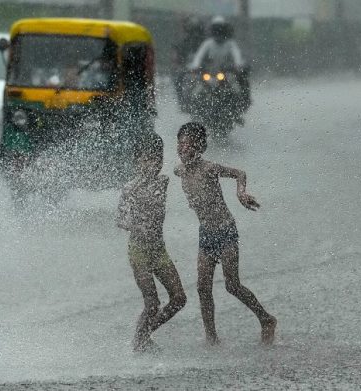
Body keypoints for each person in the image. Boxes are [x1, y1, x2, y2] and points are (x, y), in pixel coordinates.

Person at [174, 122, 275, 345]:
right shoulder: (179, 171)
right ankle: (211, 337)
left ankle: (266, 319)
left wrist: (241, 193)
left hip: (225, 230)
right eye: (179, 145)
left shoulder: (209, 168)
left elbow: (239, 173)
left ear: (200, 147)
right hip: (206, 234)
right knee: (202, 288)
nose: (182, 150)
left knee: (232, 285)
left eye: (188, 145)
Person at [117, 132, 186, 352]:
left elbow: (179, 168)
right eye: (146, 159)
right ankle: (139, 341)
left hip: (159, 249)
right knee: (152, 303)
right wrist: (134, 224)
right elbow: (120, 219)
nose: (152, 164)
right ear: (136, 161)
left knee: (179, 298)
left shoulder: (163, 181)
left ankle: (144, 335)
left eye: (157, 159)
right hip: (139, 251)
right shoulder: (130, 188)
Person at [189, 16, 251, 110]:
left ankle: (239, 107)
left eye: (220, 28)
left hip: (226, 74)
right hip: (209, 73)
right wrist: (195, 66)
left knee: (236, 89)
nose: (218, 31)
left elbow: (237, 55)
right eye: (216, 29)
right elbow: (199, 56)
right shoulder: (208, 43)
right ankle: (193, 108)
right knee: (195, 91)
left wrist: (238, 65)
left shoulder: (230, 44)